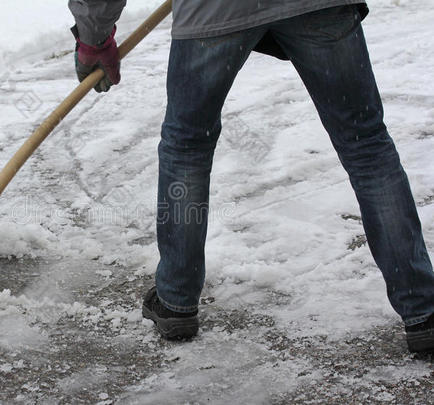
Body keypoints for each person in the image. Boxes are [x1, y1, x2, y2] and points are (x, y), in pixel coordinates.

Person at [67, 0, 434, 352]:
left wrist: (93, 38)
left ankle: (176, 298)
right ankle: (423, 310)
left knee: (187, 148)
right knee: (366, 147)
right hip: (320, 7)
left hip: (215, 11)